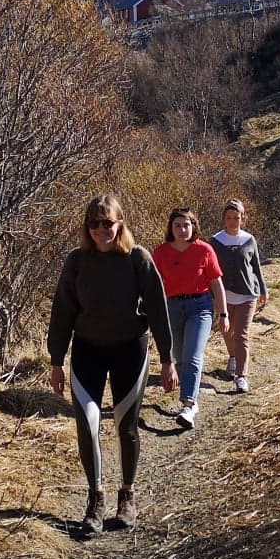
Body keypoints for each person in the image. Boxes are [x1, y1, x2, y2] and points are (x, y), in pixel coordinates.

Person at [47, 194, 174, 533]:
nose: (101, 229)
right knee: (87, 424)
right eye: (94, 223)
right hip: (87, 350)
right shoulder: (76, 261)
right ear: (86, 228)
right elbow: (62, 312)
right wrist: (56, 360)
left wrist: (168, 359)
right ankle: (95, 500)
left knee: (125, 425)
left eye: (108, 223)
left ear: (121, 224)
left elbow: (159, 311)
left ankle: (127, 496)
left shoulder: (138, 259)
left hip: (130, 351)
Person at [154, 207, 228, 428]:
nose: (182, 229)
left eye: (186, 225)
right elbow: (154, 286)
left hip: (200, 306)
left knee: (194, 355)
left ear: (193, 226)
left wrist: (223, 314)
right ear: (171, 228)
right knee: (180, 357)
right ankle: (188, 393)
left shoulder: (204, 250)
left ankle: (188, 405)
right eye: (177, 225)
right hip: (172, 307)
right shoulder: (160, 253)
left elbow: (217, 283)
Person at [209, 198, 268, 393]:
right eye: (229, 217)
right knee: (226, 331)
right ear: (224, 219)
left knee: (242, 335)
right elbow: (210, 270)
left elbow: (256, 267)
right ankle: (232, 357)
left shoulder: (249, 240)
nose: (233, 221)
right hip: (224, 295)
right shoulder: (216, 241)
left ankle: (241, 376)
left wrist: (263, 290)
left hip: (247, 294)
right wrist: (211, 295)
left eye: (237, 217)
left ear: (242, 218)